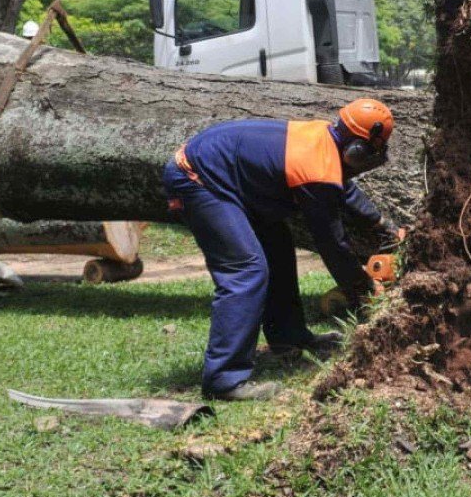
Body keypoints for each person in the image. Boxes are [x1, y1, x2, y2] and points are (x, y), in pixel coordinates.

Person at [163, 98, 399, 401]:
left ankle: (289, 338)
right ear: (358, 150)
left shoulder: (326, 142)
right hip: (198, 179)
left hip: (235, 184)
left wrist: (383, 224)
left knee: (278, 250)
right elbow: (331, 243)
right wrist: (363, 287)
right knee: (246, 269)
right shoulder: (316, 163)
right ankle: (223, 379)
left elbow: (342, 188)